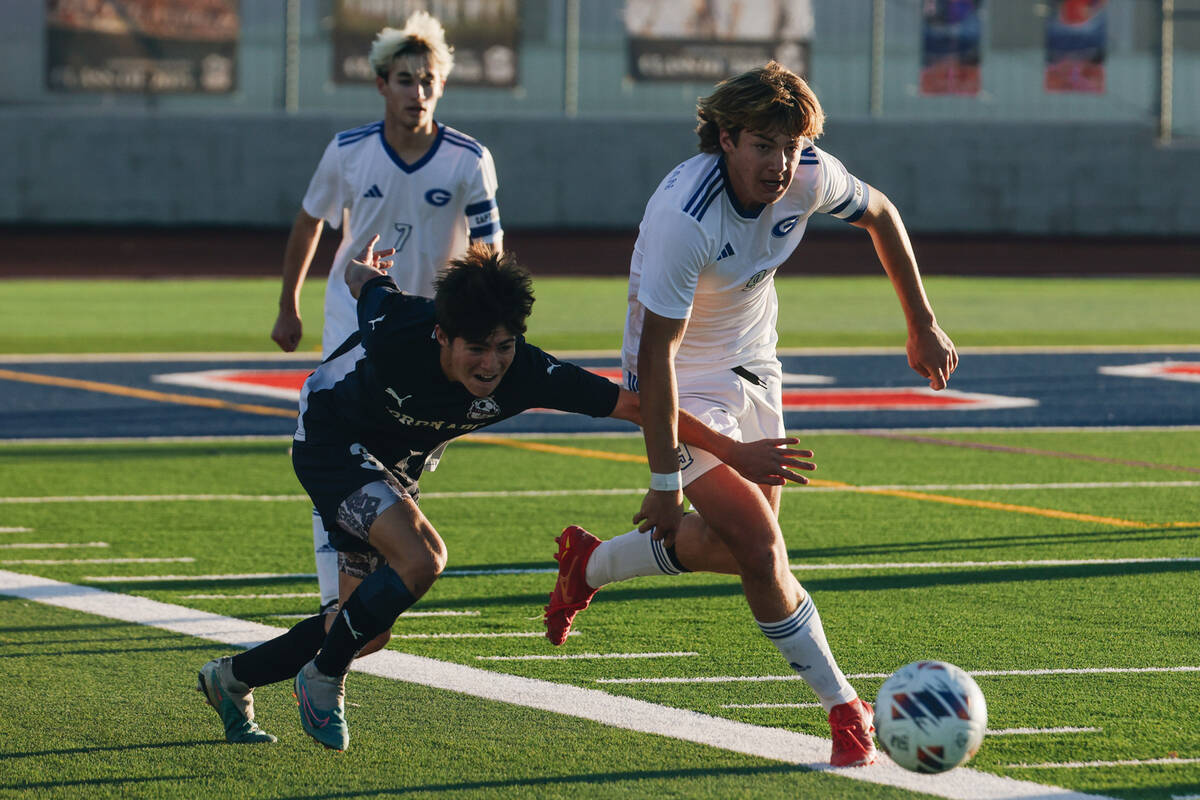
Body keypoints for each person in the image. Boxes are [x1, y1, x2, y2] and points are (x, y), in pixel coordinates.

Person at [197, 240, 814, 750]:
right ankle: (323, 677)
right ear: (441, 336)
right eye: (476, 347)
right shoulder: (398, 332)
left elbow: (637, 404)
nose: (492, 363)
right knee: (422, 558)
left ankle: (231, 679)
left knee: (362, 628)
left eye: (504, 344)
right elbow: (367, 291)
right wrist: (362, 269)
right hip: (329, 444)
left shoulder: (526, 371)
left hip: (390, 467)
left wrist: (733, 453)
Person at [542, 61, 959, 769]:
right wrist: (669, 483)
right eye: (763, 144)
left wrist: (921, 323)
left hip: (755, 360)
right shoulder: (687, 219)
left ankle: (591, 564)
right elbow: (657, 366)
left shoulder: (809, 172)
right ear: (726, 139)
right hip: (674, 374)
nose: (781, 162)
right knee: (764, 552)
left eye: (791, 145)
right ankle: (844, 708)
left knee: (737, 550)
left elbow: (881, 214)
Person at [269, 12, 504, 616]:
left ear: (441, 87)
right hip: (354, 317)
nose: (416, 92)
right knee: (337, 444)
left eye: (427, 81)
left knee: (401, 457)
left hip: (430, 334)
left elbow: (491, 247)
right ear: (381, 85)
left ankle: (362, 574)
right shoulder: (348, 151)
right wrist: (288, 301)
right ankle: (336, 595)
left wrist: (478, 318)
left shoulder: (467, 159)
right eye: (404, 80)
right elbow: (309, 220)